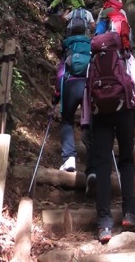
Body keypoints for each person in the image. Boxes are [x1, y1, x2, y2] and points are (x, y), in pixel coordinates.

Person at [81, 24, 135, 243]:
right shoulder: (126, 57)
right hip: (125, 112)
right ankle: (129, 213)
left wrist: (84, 122)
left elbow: (87, 90)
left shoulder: (94, 61)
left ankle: (104, 223)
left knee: (102, 165)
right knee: (127, 161)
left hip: (100, 113)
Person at [52, 18, 96, 190]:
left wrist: (57, 94)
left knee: (67, 121)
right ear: (85, 32)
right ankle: (92, 169)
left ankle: (69, 158)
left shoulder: (67, 47)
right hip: (88, 86)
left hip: (70, 85)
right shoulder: (91, 46)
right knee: (88, 125)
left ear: (70, 32)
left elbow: (61, 72)